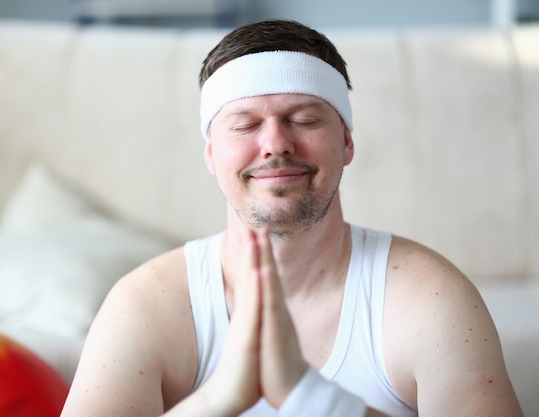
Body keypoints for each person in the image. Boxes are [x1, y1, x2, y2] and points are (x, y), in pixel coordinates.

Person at [60, 19, 523, 417]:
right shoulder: (147, 305)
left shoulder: (429, 298)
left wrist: (307, 396)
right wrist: (214, 402)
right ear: (210, 154)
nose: (276, 143)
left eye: (304, 119)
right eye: (244, 124)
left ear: (346, 142)